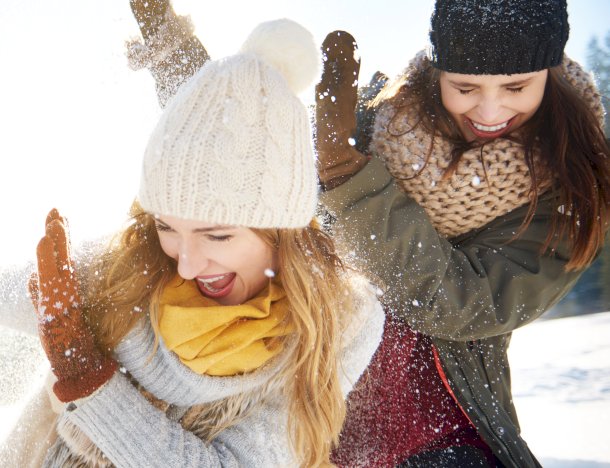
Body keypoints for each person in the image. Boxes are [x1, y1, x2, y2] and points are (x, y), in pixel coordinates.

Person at [0, 19, 384, 467]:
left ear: (281, 229)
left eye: (217, 234)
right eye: (169, 227)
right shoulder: (128, 271)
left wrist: (92, 385)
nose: (188, 264)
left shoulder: (338, 323)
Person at [128, 0, 610, 465]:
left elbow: (463, 303)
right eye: (465, 87)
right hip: (305, 421)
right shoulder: (372, 124)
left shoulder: (569, 188)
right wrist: (171, 46)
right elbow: (235, 159)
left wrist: (348, 179)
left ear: (550, 75)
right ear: (436, 72)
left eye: (516, 88)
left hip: (441, 434)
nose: (488, 110)